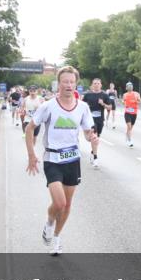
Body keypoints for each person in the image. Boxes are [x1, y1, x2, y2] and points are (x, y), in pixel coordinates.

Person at [25, 66, 97, 256]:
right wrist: (32, 155)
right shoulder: (48, 105)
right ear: (59, 83)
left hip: (72, 159)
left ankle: (56, 238)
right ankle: (49, 223)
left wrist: (91, 138)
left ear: (76, 84)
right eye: (65, 81)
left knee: (67, 205)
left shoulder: (83, 107)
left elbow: (88, 131)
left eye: (72, 82)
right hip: (53, 159)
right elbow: (30, 129)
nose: (68, 85)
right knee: (59, 203)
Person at [81, 78, 111, 169]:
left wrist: (103, 104)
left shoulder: (104, 95)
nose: (96, 85)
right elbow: (81, 106)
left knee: (96, 139)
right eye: (95, 83)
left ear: (101, 85)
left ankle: (92, 152)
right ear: (92, 85)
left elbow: (110, 107)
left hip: (100, 120)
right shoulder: (87, 95)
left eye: (98, 83)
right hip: (90, 121)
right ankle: (95, 158)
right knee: (94, 137)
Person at [123, 82, 141, 148]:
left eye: (131, 85)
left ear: (132, 87)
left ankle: (127, 135)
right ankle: (130, 141)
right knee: (129, 127)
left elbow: (140, 101)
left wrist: (136, 101)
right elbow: (124, 101)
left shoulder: (136, 94)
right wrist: (124, 103)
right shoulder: (125, 94)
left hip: (134, 113)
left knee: (130, 128)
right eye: (129, 86)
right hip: (127, 113)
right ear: (126, 87)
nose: (130, 87)